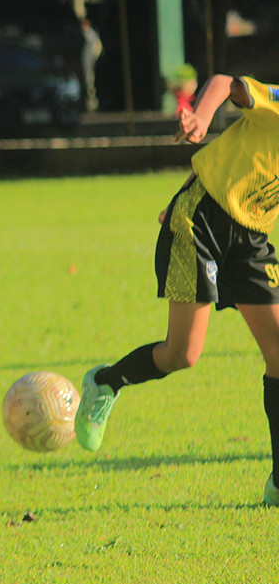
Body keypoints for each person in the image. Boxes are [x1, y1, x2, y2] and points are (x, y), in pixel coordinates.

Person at [74, 73, 279, 507]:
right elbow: (226, 81)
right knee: (183, 354)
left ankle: (278, 483)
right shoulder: (276, 105)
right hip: (199, 221)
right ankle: (105, 382)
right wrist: (201, 118)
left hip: (252, 237)